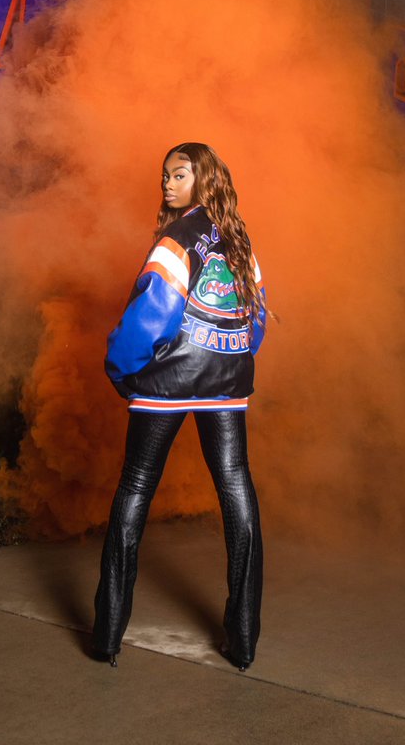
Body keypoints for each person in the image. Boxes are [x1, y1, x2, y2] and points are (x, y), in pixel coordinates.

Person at [91, 141, 268, 671]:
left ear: (204, 179)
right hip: (226, 383)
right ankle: (244, 641)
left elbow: (153, 315)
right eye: (165, 175)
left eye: (180, 175)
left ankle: (106, 638)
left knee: (135, 491)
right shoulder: (238, 240)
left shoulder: (175, 240)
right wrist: (230, 356)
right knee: (237, 490)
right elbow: (256, 319)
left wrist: (121, 371)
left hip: (165, 385)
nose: (167, 184)